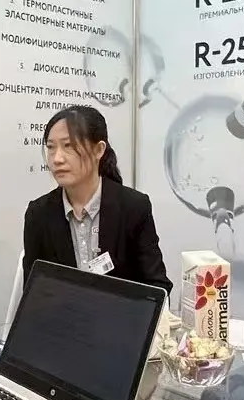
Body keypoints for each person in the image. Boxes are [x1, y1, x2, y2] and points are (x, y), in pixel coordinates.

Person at [22, 105, 171, 291]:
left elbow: (157, 286)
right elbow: (34, 291)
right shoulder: (39, 214)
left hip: (120, 309)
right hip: (64, 310)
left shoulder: (133, 207)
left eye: (68, 146)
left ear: (98, 150)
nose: (57, 159)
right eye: (51, 148)